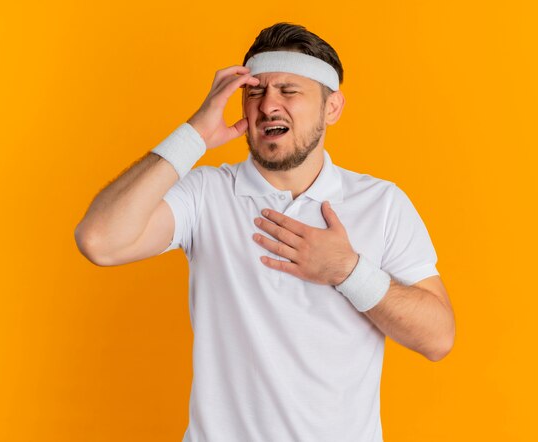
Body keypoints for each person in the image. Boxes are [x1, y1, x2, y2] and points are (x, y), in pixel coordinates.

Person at [75, 22, 455, 442]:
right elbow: (99, 241)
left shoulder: (381, 203)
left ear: (332, 108)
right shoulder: (206, 193)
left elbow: (438, 337)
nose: (268, 104)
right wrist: (195, 136)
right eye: (255, 92)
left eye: (289, 90)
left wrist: (348, 272)